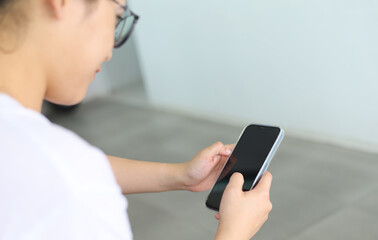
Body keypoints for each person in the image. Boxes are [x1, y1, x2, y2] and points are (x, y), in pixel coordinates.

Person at [0, 0, 273, 239]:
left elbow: (64, 166)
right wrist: (234, 232)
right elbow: (65, 174)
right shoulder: (71, 187)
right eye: (117, 17)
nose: (110, 51)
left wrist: (181, 176)